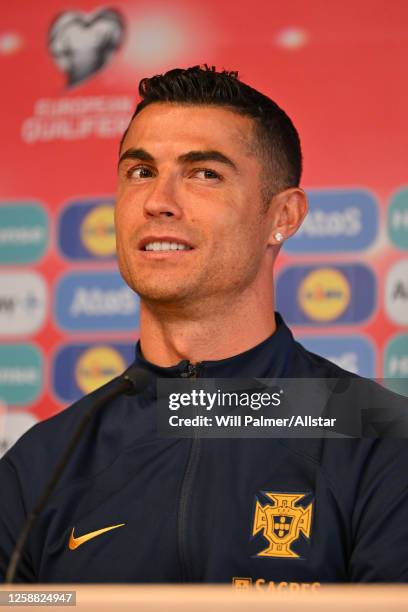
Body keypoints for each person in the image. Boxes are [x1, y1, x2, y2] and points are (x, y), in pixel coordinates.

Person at [1, 65, 408, 585]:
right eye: (141, 172)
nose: (157, 202)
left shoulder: (384, 438)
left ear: (282, 216)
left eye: (204, 174)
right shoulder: (41, 464)